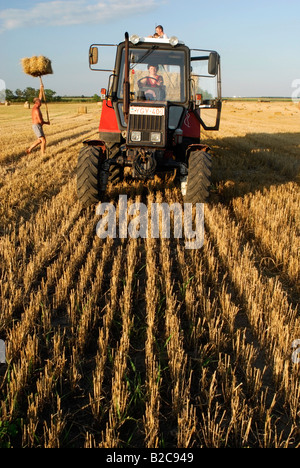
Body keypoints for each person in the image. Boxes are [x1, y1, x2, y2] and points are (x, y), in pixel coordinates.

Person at [26, 83, 50, 155]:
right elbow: (40, 121)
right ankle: (43, 154)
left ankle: (29, 149)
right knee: (43, 140)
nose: (41, 102)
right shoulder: (36, 110)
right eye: (40, 102)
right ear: (37, 103)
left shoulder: (36, 106)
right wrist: (46, 123)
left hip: (37, 125)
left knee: (40, 140)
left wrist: (41, 88)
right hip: (37, 125)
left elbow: (40, 97)